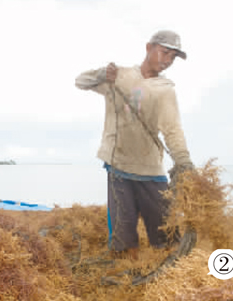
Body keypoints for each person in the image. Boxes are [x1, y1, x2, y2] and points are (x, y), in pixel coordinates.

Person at [75, 30, 194, 260]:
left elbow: (173, 130)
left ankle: (169, 274)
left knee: (167, 235)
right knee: (123, 237)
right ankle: (127, 279)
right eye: (165, 53)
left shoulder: (165, 91)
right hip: (118, 166)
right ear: (149, 47)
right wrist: (101, 74)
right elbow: (80, 81)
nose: (167, 61)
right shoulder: (119, 76)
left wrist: (184, 161)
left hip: (150, 170)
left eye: (172, 58)